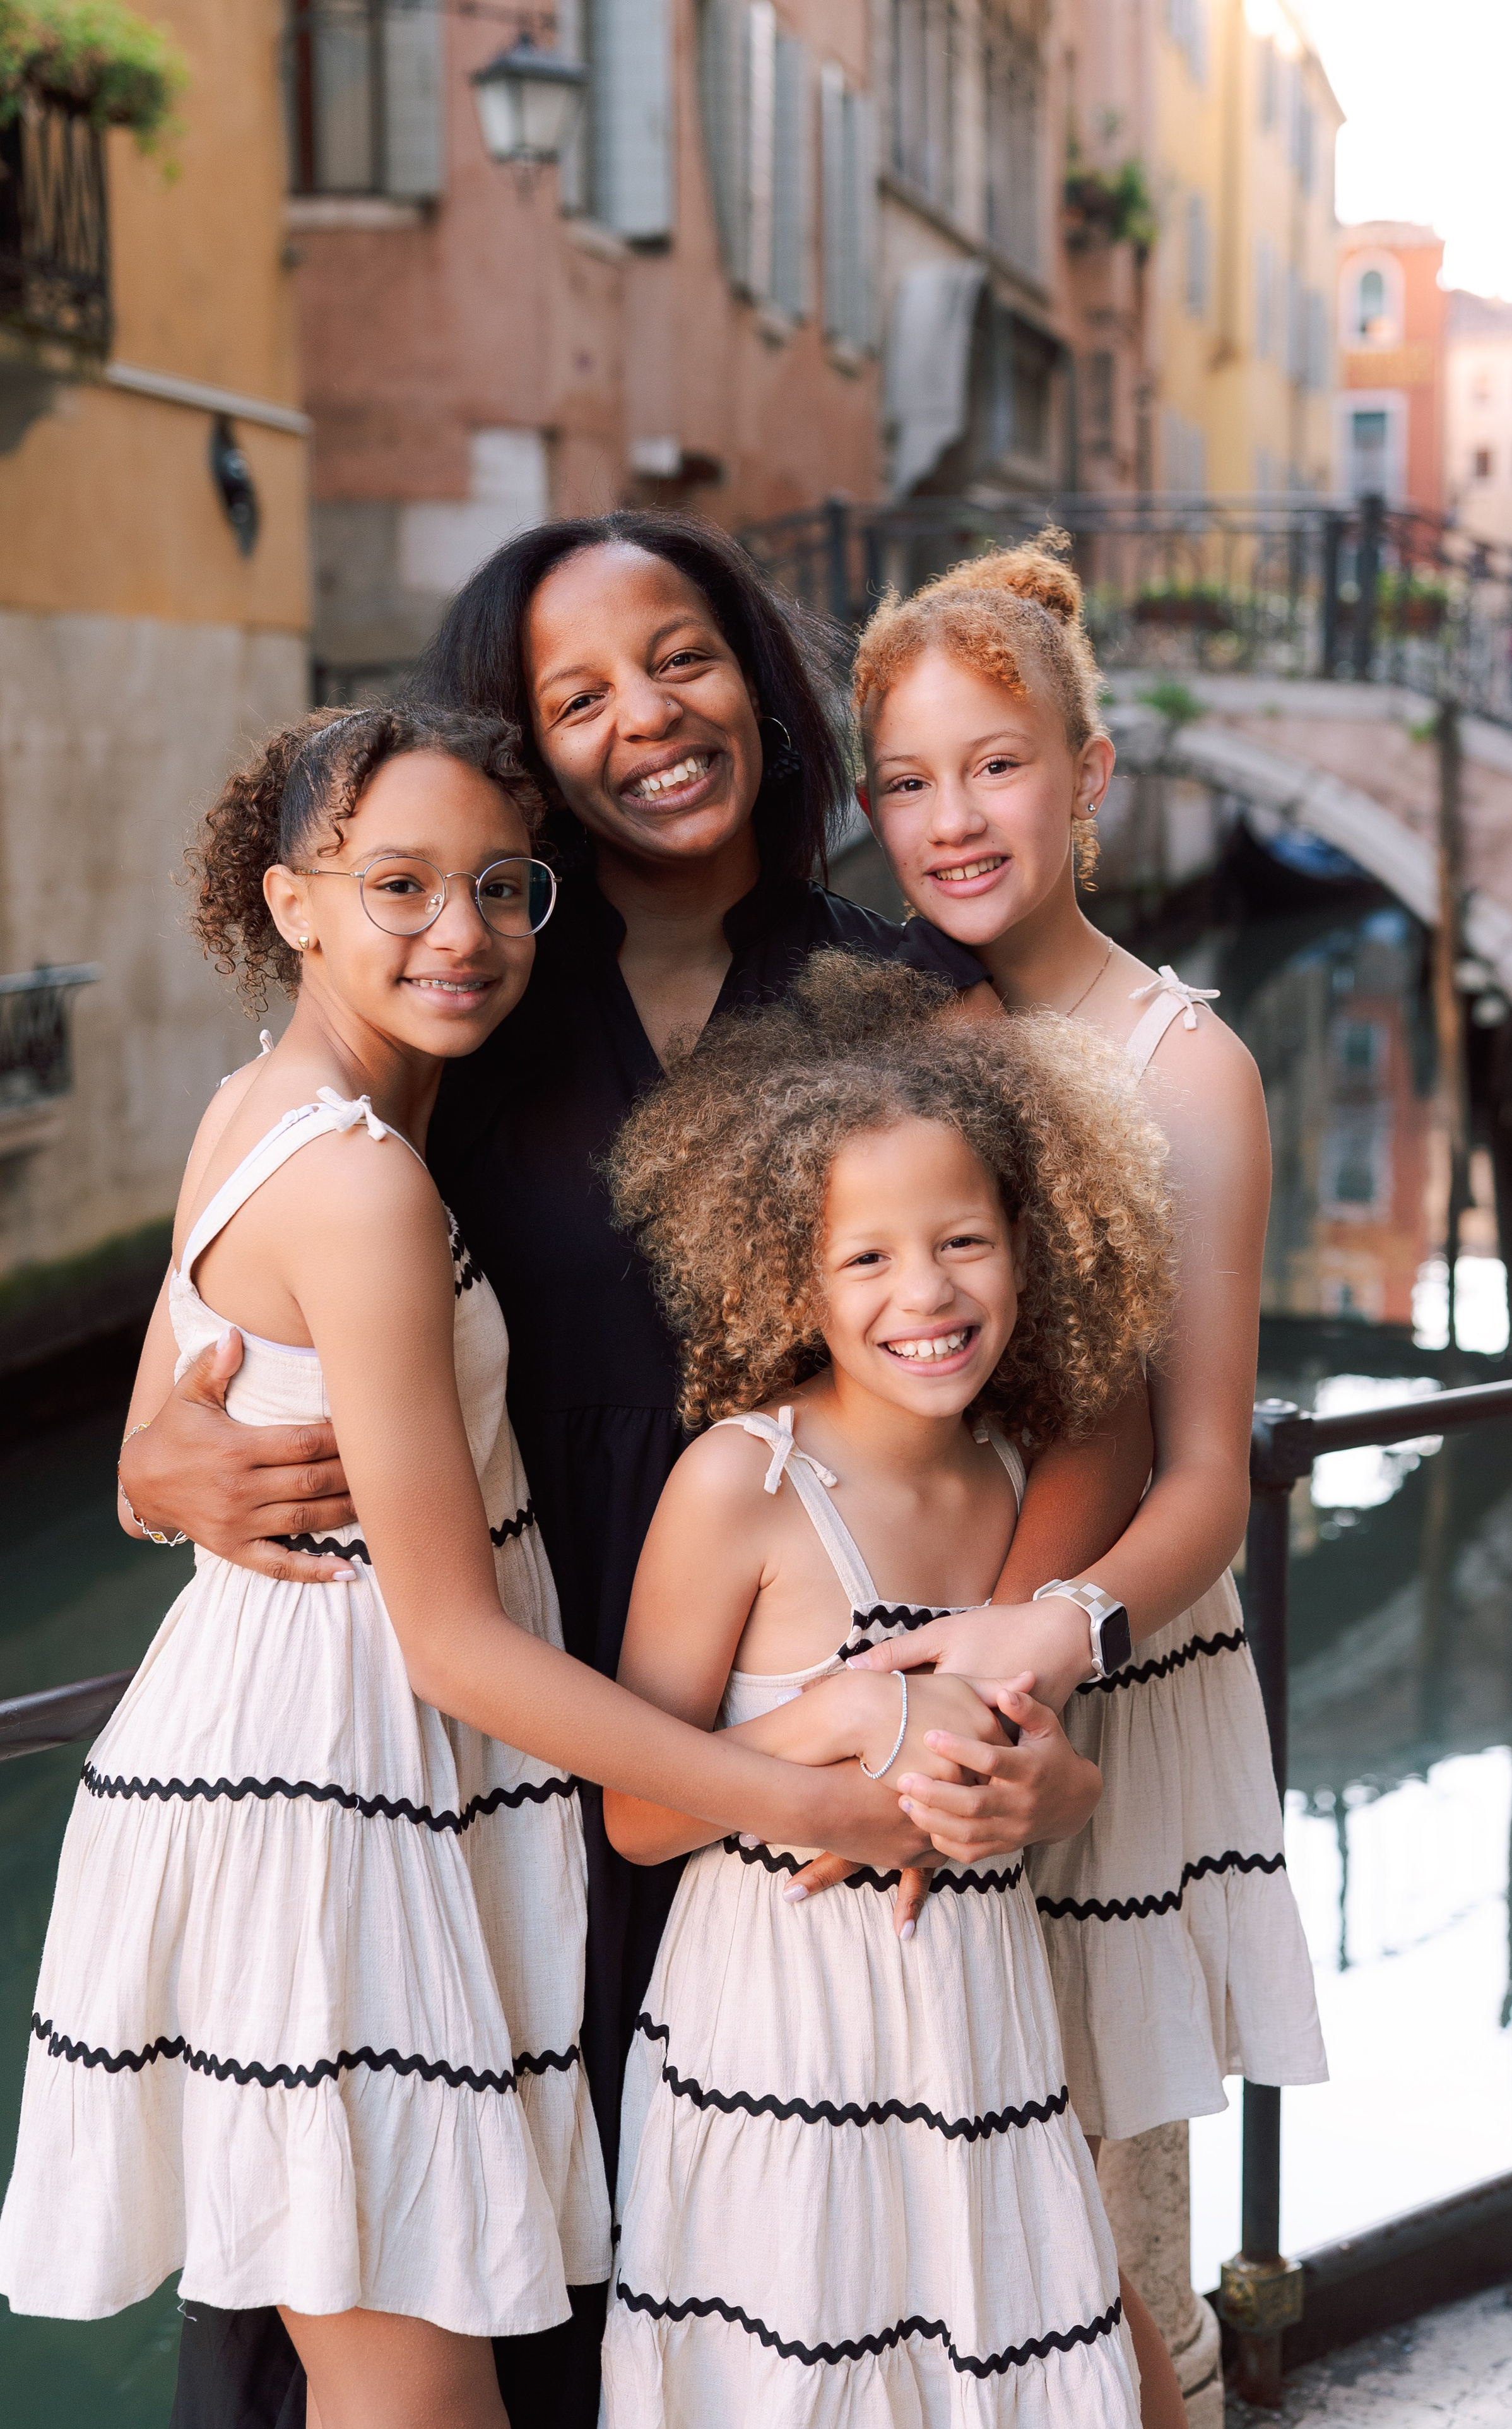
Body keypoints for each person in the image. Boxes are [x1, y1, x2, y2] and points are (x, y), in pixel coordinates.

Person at [112, 517, 1115, 2426]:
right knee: (435, 2263)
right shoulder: (460, 994)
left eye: (681, 657)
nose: (644, 717)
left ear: (756, 677)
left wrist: (987, 1682)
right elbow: (231, 1325)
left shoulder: (908, 998)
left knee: (773, 2273)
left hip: (786, 1717)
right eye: (575, 695)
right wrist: (162, 1469)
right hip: (478, 1727)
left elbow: (1085, 1401)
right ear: (521, 746)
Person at [598, 952, 1173, 2425]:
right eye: (865, 1259)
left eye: (962, 1241)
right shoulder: (741, 1484)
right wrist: (840, 1717)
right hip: (775, 2033)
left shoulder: (1021, 1487)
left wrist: (1056, 1792)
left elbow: (1045, 1769)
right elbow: (637, 1814)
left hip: (978, 2023)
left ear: (1027, 1248)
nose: (924, 1292)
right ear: (790, 1276)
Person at [848, 535, 1327, 2225]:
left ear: (1089, 775)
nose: (953, 820)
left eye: (997, 767)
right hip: (904, 1665)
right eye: (908, 782)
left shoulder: (1182, 1069)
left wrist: (1047, 1638)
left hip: (1100, 1664)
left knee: (1103, 2229)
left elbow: (1203, 1473)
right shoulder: (873, 1035)